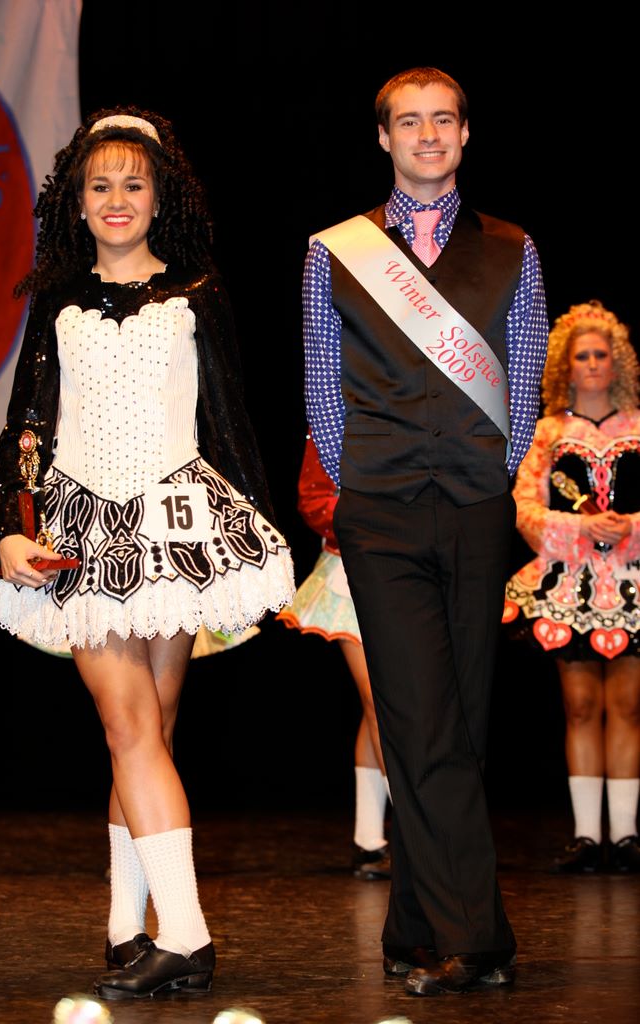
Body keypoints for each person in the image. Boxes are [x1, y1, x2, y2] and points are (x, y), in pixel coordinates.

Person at [0, 108, 294, 1000]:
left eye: (133, 183)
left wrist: (265, 539)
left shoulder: (198, 291)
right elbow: (27, 426)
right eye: (99, 185)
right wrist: (10, 522)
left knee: (147, 733)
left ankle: (129, 927)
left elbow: (229, 422)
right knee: (130, 728)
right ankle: (182, 935)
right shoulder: (57, 298)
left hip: (176, 528)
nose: (116, 199)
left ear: (161, 197)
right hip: (82, 534)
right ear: (76, 202)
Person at [303, 67, 548, 996]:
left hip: (476, 503)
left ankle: (411, 925)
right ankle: (475, 936)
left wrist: (491, 471)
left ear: (465, 132)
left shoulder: (513, 247)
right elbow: (321, 384)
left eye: (442, 120)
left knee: (460, 721)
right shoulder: (335, 250)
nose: (428, 135)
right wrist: (360, 478)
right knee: (417, 710)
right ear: (383, 139)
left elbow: (522, 375)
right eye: (409, 123)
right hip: (381, 506)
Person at [505, 301, 640, 873]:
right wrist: (582, 527)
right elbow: (524, 507)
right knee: (580, 706)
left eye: (600, 354)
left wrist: (631, 527)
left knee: (628, 706)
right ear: (566, 363)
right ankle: (587, 835)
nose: (591, 364)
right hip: (571, 584)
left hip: (632, 583)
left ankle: (625, 835)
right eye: (581, 355)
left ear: (617, 361)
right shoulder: (548, 433)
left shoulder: (639, 427)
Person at [278, 435, 391, 879]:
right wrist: (376, 524)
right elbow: (313, 499)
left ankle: (369, 839)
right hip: (354, 570)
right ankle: (421, 834)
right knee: (384, 702)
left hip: (416, 571)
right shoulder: (334, 414)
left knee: (378, 706)